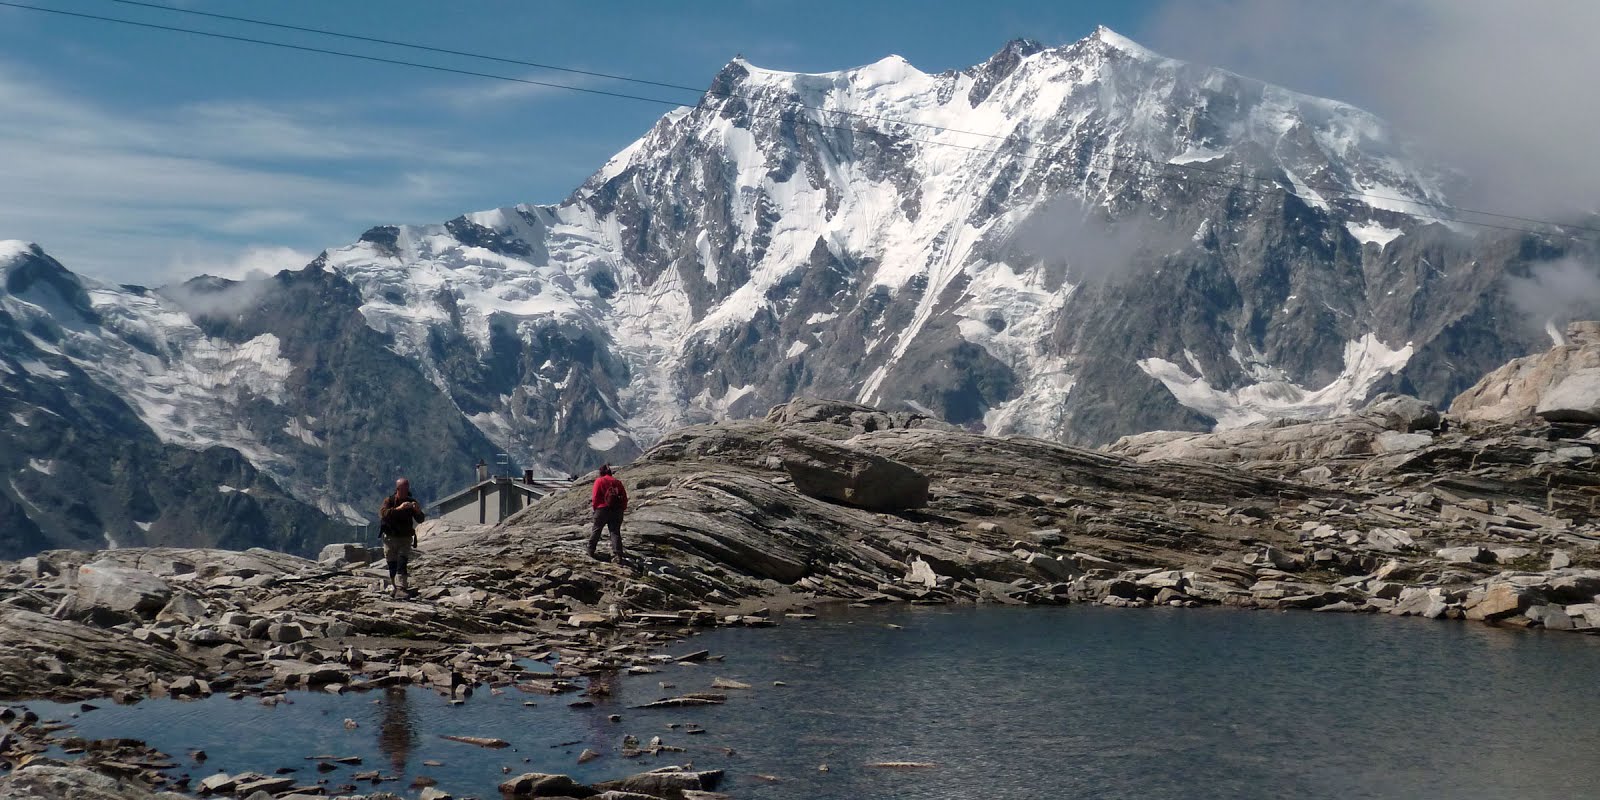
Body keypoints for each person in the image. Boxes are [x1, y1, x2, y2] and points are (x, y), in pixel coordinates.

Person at [379, 477, 426, 598]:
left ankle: (401, 587)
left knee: (402, 561)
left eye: (407, 489)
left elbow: (420, 519)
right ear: (398, 489)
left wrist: (417, 511)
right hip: (390, 538)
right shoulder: (389, 501)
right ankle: (395, 587)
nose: (406, 491)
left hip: (405, 538)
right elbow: (383, 514)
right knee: (392, 564)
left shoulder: (412, 502)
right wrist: (399, 509)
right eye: (403, 489)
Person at [586, 464, 629, 563]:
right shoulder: (617, 482)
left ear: (601, 472)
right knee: (615, 532)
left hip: (602, 509)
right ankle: (618, 554)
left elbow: (595, 497)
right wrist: (622, 508)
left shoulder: (599, 481)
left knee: (596, 530)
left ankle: (590, 550)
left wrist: (595, 508)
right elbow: (624, 497)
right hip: (617, 510)